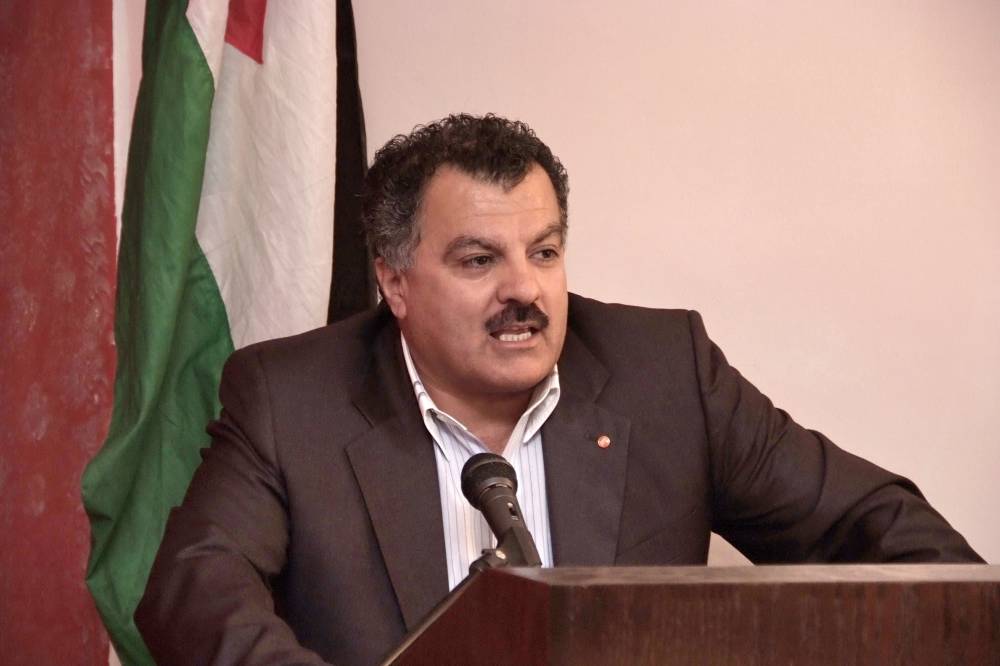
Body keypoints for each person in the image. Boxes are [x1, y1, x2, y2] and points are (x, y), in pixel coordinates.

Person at [136, 114, 982, 665]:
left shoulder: (664, 374)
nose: (525, 290)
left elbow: (874, 527)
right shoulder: (293, 399)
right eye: (480, 260)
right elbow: (194, 590)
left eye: (544, 252)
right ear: (395, 283)